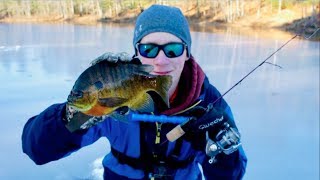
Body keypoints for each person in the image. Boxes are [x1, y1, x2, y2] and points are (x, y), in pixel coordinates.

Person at [22, 4, 247, 180]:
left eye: (173, 49)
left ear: (187, 53)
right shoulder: (111, 93)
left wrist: (222, 147)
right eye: (148, 49)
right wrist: (71, 116)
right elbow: (37, 150)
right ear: (137, 53)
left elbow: (231, 176)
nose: (160, 60)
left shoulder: (208, 103)